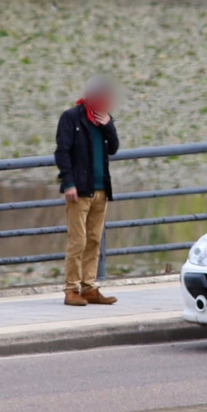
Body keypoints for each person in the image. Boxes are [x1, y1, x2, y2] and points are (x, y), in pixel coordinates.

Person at [55, 76, 121, 307]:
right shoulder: (71, 118)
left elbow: (113, 148)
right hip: (80, 191)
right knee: (78, 241)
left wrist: (108, 125)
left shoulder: (104, 119)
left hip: (101, 190)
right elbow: (62, 152)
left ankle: (89, 286)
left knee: (94, 240)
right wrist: (69, 183)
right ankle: (71, 289)